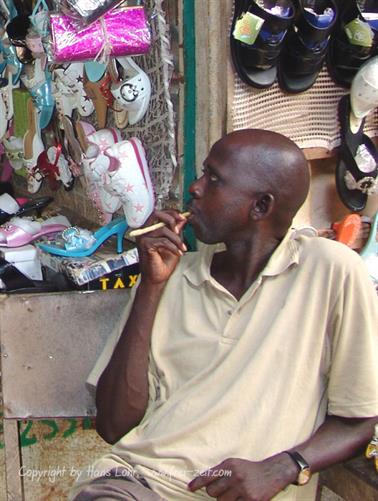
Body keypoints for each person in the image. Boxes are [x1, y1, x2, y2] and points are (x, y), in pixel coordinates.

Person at [70, 129, 378, 501]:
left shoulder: (330, 271)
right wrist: (150, 288)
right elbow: (114, 425)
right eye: (202, 174)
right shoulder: (173, 274)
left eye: (213, 180)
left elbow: (358, 419)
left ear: (260, 207)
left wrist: (283, 467)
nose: (195, 188)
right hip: (143, 483)